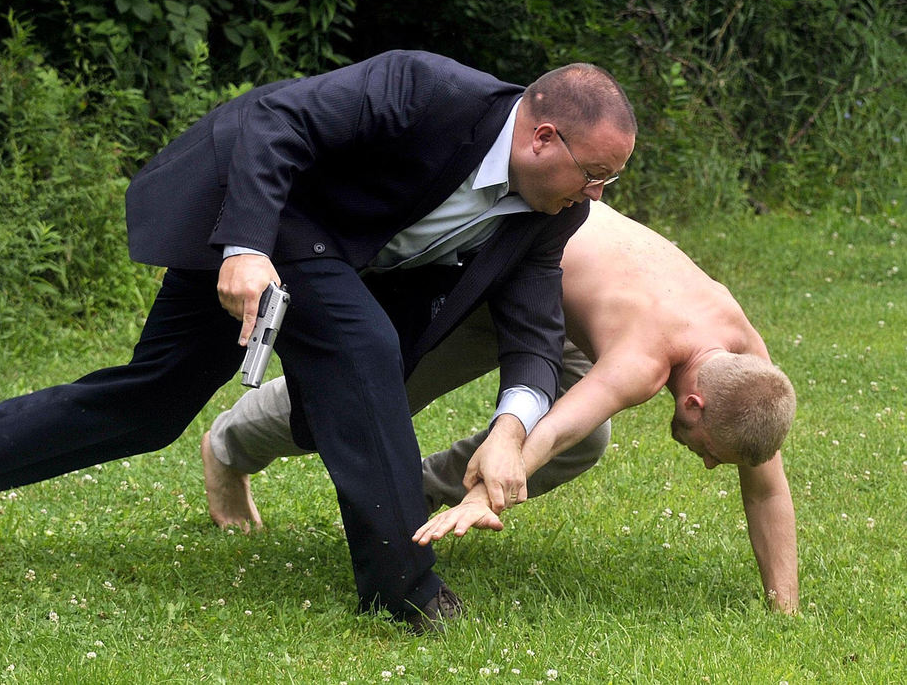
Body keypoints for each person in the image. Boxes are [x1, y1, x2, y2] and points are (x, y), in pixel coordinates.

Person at [0, 50, 637, 633]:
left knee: (150, 403)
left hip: (321, 253)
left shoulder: (553, 213)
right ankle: (406, 586)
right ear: (541, 138)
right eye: (594, 175)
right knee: (358, 347)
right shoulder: (426, 90)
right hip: (260, 217)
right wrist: (242, 246)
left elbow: (532, 329)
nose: (597, 196)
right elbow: (275, 118)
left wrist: (511, 429)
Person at [202, 200, 800, 613]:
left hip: (573, 301)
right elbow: (551, 432)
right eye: (711, 453)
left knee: (592, 442)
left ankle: (404, 495)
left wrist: (784, 607)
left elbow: (767, 485)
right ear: (693, 403)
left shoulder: (747, 364)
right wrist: (483, 495)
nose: (708, 465)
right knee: (362, 402)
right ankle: (226, 447)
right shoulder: (643, 363)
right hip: (509, 272)